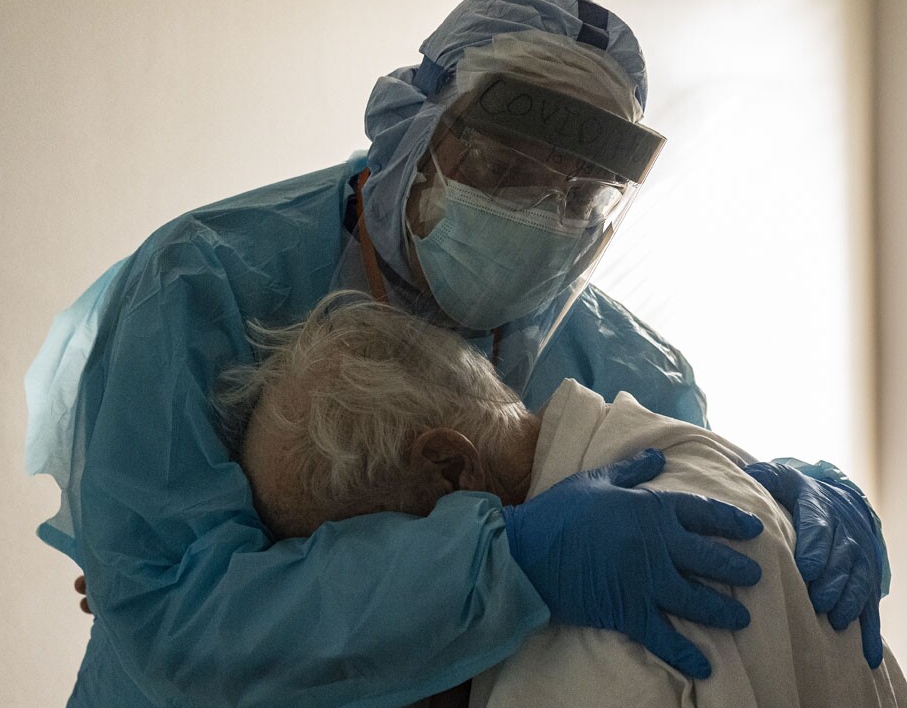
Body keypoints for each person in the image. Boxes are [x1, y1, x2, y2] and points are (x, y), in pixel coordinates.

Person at [24, 0, 889, 706]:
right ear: (409, 129)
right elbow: (174, 613)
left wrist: (779, 500)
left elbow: (689, 540)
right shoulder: (203, 285)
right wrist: (504, 561)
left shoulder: (627, 365)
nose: (541, 214)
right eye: (506, 169)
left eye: (583, 194)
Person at [217, 290, 905, 708]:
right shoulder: (704, 463)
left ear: (452, 467)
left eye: (366, 551)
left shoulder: (587, 638)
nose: (384, 605)